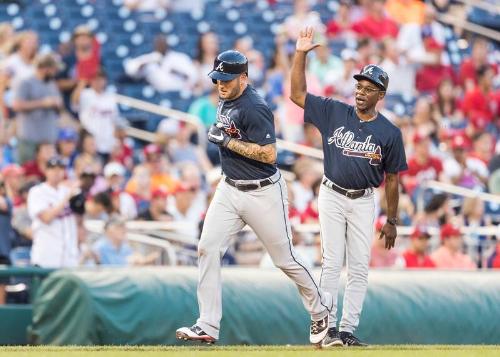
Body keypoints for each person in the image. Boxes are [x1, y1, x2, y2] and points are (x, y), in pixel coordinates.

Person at [176, 50, 333, 345]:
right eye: (218, 78)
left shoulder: (255, 107)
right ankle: (207, 324)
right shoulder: (226, 97)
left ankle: (321, 309)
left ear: (243, 78)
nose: (220, 84)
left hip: (262, 191)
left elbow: (269, 154)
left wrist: (228, 141)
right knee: (207, 248)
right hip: (229, 187)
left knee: (284, 260)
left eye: (227, 78)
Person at [290, 27, 408, 347]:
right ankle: (325, 329)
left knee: (358, 267)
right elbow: (297, 95)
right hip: (331, 192)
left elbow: (394, 178)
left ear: (380, 95)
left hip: (364, 199)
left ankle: (346, 331)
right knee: (331, 262)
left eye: (370, 88)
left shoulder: (389, 133)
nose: (361, 91)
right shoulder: (334, 111)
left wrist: (393, 220)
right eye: (359, 84)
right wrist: (301, 54)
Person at [27, 157, 80, 268]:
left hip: (68, 257)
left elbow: (79, 219)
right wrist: (66, 198)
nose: (56, 172)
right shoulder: (37, 192)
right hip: (46, 257)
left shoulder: (67, 191)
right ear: (46, 171)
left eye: (60, 169)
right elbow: (46, 218)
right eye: (53, 169)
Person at [12, 53, 63, 163]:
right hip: (30, 139)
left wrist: (57, 104)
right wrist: (42, 103)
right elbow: (17, 105)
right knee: (28, 171)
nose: (55, 72)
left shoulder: (51, 83)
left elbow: (59, 106)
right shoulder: (26, 82)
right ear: (45, 68)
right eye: (53, 69)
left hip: (48, 140)